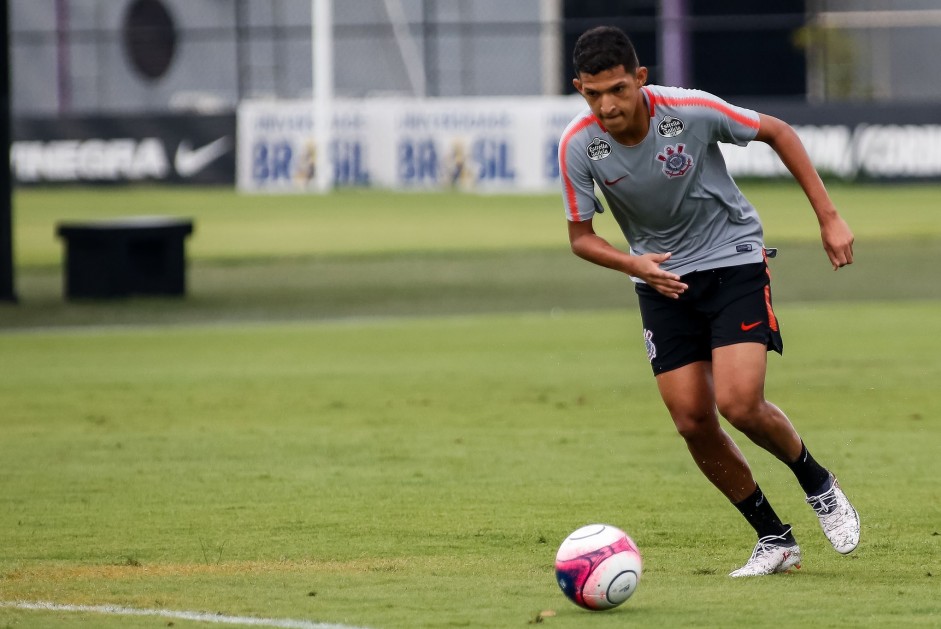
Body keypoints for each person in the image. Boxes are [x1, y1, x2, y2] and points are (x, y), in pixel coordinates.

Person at [558, 26, 860, 577]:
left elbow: (779, 132)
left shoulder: (690, 110)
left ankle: (817, 483)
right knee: (692, 419)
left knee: (740, 404)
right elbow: (581, 237)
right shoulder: (579, 145)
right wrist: (635, 264)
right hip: (660, 281)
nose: (607, 105)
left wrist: (829, 216)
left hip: (733, 257)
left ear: (640, 80)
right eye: (593, 93)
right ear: (580, 88)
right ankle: (775, 538)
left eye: (618, 90)